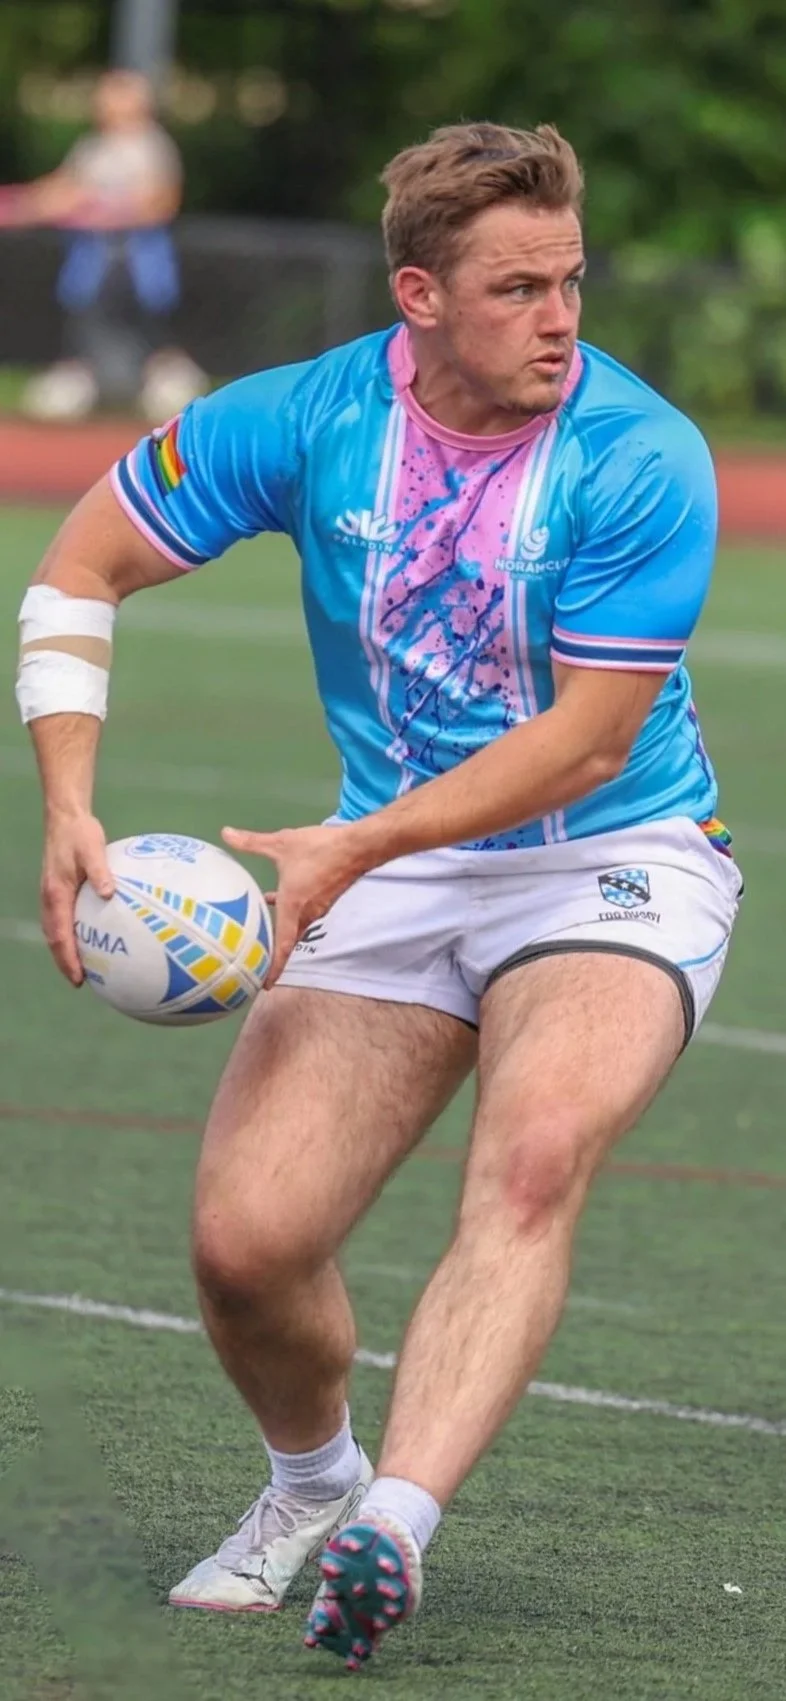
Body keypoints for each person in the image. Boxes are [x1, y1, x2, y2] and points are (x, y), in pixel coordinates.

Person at [16, 122, 742, 1670]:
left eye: (570, 279)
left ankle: (388, 1526)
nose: (560, 319)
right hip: (388, 859)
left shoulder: (636, 451)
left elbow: (586, 737)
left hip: (610, 854)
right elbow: (77, 568)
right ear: (418, 293)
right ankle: (311, 1482)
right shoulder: (302, 417)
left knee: (532, 1154)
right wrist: (68, 802)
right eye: (513, 289)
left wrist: (355, 848)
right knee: (246, 1244)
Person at [1, 69, 204, 420]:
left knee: (150, 318)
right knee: (85, 314)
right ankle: (74, 380)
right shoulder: (94, 147)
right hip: (94, 254)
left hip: (139, 254)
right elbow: (63, 189)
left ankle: (172, 382)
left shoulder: (152, 145)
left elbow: (162, 202)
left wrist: (105, 212)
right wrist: (22, 206)